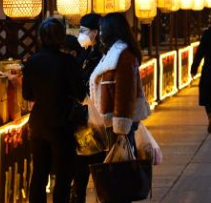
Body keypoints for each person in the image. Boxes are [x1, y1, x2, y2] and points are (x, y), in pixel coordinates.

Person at [23, 18, 86, 203]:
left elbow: (27, 95)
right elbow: (80, 93)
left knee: (39, 174)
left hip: (38, 123)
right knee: (64, 175)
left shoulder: (32, 61)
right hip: (62, 122)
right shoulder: (67, 62)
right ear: (61, 38)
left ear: (41, 37)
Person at [89, 13, 151, 164]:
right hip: (111, 121)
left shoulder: (123, 56)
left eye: (102, 29)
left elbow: (125, 93)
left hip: (119, 122)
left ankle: (127, 188)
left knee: (123, 164)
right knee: (119, 163)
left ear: (111, 30)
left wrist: (121, 126)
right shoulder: (112, 53)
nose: (100, 33)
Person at [70, 13, 105, 203]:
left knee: (99, 167)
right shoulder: (84, 53)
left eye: (84, 31)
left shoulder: (103, 56)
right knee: (80, 171)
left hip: (97, 120)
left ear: (95, 32)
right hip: (82, 123)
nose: (81, 34)